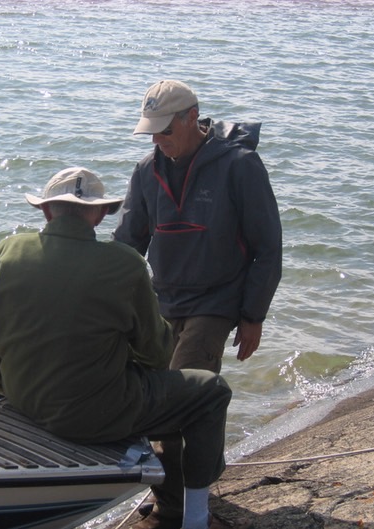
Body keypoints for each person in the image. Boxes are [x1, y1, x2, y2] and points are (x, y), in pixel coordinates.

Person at [0, 167, 235, 529]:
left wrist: (9, 384)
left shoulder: (7, 251)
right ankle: (196, 518)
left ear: (46, 210)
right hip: (94, 417)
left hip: (25, 401)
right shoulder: (125, 264)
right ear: (101, 214)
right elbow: (158, 354)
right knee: (211, 393)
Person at [112, 80, 282, 527]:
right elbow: (128, 245)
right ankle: (175, 493)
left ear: (192, 118)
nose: (157, 139)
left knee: (184, 398)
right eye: (151, 131)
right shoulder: (146, 171)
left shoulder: (240, 166)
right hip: (161, 302)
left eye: (165, 130)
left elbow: (269, 248)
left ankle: (187, 511)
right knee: (147, 401)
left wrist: (252, 316)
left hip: (217, 301)